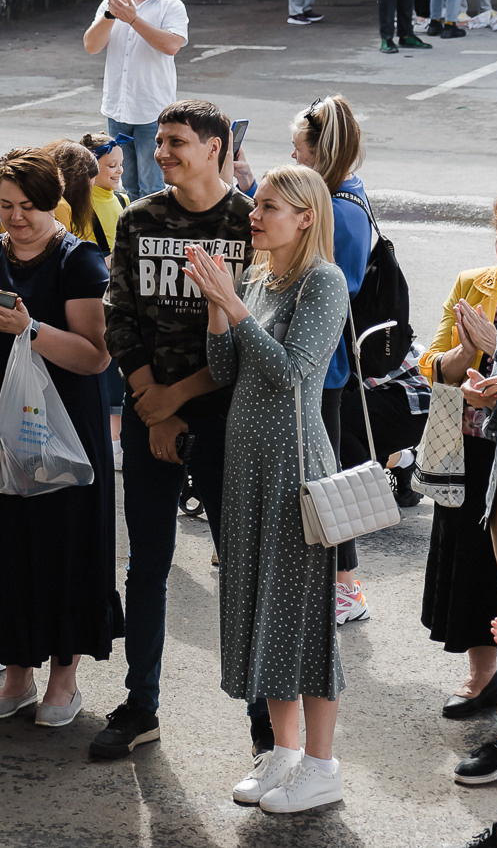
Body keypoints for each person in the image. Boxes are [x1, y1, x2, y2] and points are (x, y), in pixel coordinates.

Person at [0, 148, 118, 726]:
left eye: (27, 207)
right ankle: (16, 673)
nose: (14, 218)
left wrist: (29, 328)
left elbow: (95, 356)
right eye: (5, 205)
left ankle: (64, 679)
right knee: (2, 542)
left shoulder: (79, 259)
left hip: (61, 431)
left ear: (54, 203)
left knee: (61, 545)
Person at [183, 165, 349, 813]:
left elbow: (292, 375)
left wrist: (232, 305)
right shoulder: (259, 276)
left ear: (305, 216)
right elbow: (225, 369)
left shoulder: (323, 281)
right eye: (255, 205)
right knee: (262, 609)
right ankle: (282, 753)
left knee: (304, 621)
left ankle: (322, 764)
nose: (254, 214)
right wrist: (216, 305)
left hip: (296, 472)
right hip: (248, 465)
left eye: (269, 207)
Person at [95, 99, 256, 761]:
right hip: (147, 410)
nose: (160, 152)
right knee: (147, 567)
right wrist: (147, 401)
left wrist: (173, 408)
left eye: (175, 142)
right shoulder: (139, 218)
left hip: (222, 418)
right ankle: (142, 705)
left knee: (242, 571)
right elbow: (119, 315)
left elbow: (255, 332)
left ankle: (266, 723)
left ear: (213, 147)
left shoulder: (250, 221)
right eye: (158, 141)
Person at [252, 97, 373, 622]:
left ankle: (345, 585)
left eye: (299, 152)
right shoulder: (343, 197)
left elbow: (330, 289)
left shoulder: (339, 212)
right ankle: (335, 580)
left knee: (324, 482)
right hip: (318, 365)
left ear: (321, 156)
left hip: (320, 369)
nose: (294, 160)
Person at [421, 190, 497, 785]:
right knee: (471, 569)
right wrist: (469, 352)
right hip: (472, 446)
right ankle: (482, 676)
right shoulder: (474, 284)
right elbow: (431, 365)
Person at [83, 0, 188, 200]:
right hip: (117, 109)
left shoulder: (171, 6)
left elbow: (172, 45)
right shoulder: (113, 2)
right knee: (123, 185)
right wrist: (110, 15)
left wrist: (133, 19)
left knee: (152, 188)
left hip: (151, 113)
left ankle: (149, 237)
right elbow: (91, 45)